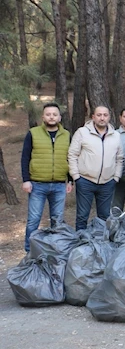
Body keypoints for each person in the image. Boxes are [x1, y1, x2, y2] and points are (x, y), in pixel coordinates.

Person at [21, 103, 72, 252]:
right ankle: (29, 251)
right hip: (37, 185)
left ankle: (55, 250)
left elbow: (70, 158)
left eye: (54, 114)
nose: (51, 117)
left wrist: (70, 180)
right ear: (43, 117)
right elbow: (25, 157)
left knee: (58, 221)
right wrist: (26, 180)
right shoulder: (33, 133)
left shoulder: (67, 135)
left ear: (59, 117)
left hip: (59, 185)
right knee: (33, 220)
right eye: (48, 114)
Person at [68, 105, 124, 230]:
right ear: (93, 117)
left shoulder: (115, 135)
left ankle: (101, 245)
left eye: (105, 115)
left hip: (107, 182)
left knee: (104, 217)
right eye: (99, 115)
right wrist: (76, 176)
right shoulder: (82, 132)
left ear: (109, 117)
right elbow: (72, 155)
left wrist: (116, 177)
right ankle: (81, 244)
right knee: (82, 216)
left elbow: (120, 158)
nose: (102, 118)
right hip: (85, 181)